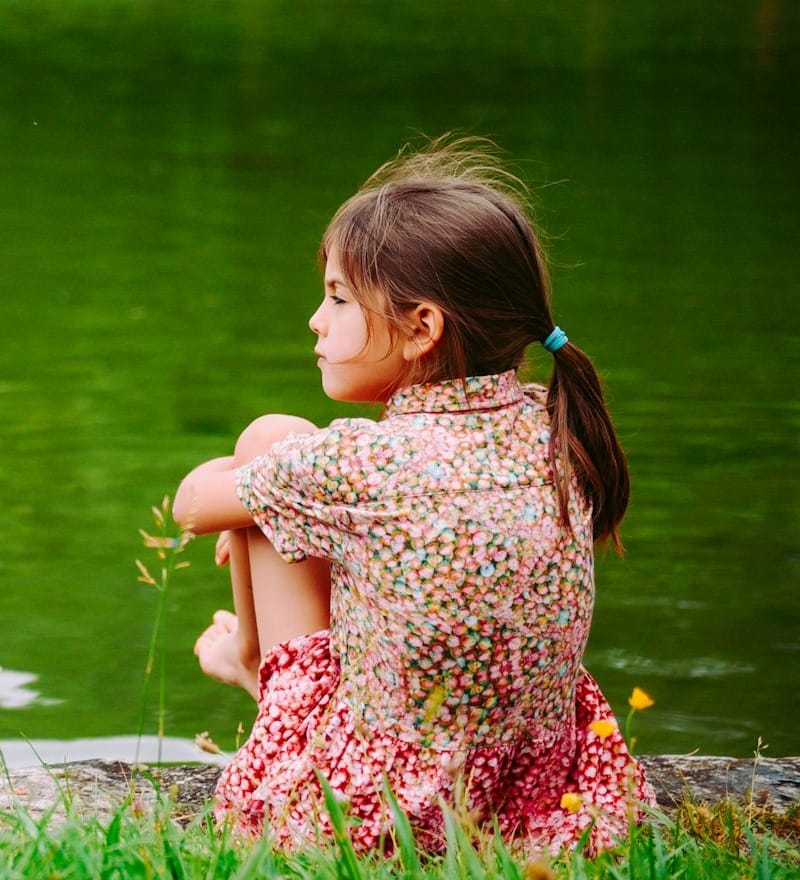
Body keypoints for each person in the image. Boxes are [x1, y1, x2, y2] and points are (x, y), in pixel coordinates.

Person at [171, 136, 651, 854]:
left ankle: (250, 656)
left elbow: (189, 506)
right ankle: (252, 645)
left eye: (337, 298)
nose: (315, 320)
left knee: (269, 437)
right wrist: (286, 502)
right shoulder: (557, 430)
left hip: (382, 817)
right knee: (281, 480)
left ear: (423, 327)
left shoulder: (363, 459)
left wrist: (261, 496)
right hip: (535, 794)